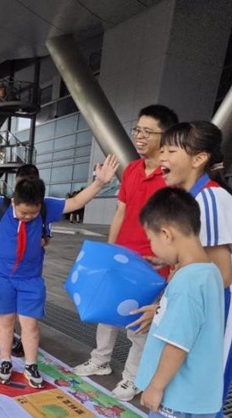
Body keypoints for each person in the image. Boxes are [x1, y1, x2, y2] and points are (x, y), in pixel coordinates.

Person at [129, 121, 232, 418]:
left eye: (172, 150)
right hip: (202, 294)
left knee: (205, 379)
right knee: (183, 376)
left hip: (225, 298)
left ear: (199, 159)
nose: (163, 156)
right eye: (163, 149)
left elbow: (219, 273)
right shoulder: (191, 198)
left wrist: (172, 307)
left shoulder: (211, 200)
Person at [0, 154, 118, 388]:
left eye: (33, 214)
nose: (28, 217)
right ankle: (5, 361)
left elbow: (75, 203)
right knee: (5, 323)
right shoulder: (0, 205)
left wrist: (99, 183)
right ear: (14, 201)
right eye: (23, 213)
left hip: (30, 281)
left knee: (30, 325)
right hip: (2, 278)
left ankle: (30, 364)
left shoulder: (47, 207)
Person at [117, 187, 224, 418]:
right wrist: (156, 313)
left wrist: (156, 386)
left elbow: (179, 344)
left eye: (151, 238)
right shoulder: (203, 271)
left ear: (167, 233)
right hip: (193, 395)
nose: (152, 248)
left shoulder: (189, 283)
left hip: (180, 394)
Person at [73, 104, 179, 401]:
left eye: (148, 132)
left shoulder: (170, 175)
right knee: (107, 313)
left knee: (139, 325)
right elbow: (120, 212)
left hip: (151, 262)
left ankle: (133, 378)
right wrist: (111, 250)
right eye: (138, 130)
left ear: (166, 136)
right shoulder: (132, 169)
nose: (140, 136)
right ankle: (100, 360)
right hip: (121, 257)